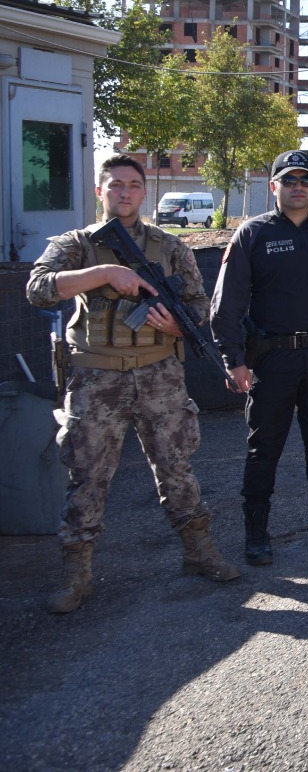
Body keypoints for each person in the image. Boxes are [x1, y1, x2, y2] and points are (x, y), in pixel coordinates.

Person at [26, 155, 239, 613]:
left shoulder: (169, 247)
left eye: (133, 185)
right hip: (96, 377)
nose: (124, 192)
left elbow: (200, 307)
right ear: (101, 191)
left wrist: (180, 328)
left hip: (159, 373)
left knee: (177, 467)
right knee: (87, 477)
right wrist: (104, 274)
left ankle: (199, 552)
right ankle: (76, 576)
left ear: (145, 193)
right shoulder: (78, 245)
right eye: (115, 185)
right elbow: (38, 287)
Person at [212, 149, 308, 565]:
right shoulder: (252, 234)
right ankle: (257, 533)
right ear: (273, 186)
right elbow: (227, 304)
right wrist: (233, 359)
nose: (298, 187)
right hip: (271, 361)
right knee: (264, 449)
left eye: (305, 180)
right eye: (289, 180)